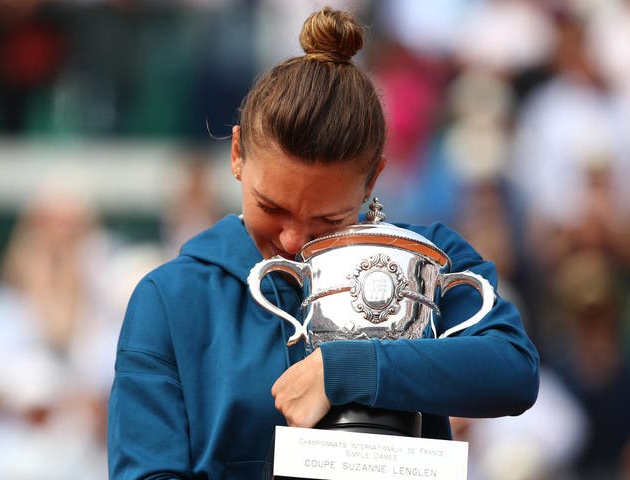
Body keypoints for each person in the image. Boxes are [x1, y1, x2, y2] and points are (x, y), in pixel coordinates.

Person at [107, 6, 539, 479]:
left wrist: (349, 370)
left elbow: (513, 371)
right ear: (236, 154)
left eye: (327, 221)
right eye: (271, 207)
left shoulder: (427, 259)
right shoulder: (170, 298)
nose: (292, 240)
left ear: (373, 179)